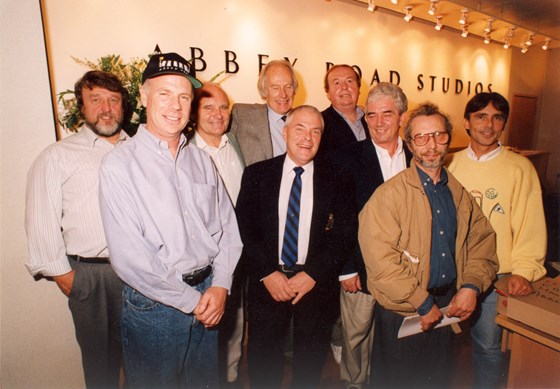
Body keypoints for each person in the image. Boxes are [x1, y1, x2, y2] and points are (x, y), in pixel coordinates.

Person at [98, 52, 243, 388]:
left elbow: (227, 230)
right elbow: (130, 258)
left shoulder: (202, 161)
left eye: (184, 96)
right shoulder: (119, 166)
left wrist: (221, 284)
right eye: (164, 93)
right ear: (144, 96)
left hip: (209, 293)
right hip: (156, 308)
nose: (175, 106)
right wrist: (194, 302)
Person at [359, 102, 499, 388]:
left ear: (449, 138)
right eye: (421, 137)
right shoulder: (388, 196)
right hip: (404, 311)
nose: (431, 145)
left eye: (439, 135)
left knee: (437, 381)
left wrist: (471, 287)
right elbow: (380, 261)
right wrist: (421, 302)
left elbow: (481, 242)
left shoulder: (458, 193)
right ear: (410, 144)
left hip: (448, 307)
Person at [236, 105, 358, 388]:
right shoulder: (257, 174)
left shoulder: (339, 178)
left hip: (314, 284)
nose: (307, 137)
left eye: (315, 131)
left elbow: (345, 233)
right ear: (285, 131)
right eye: (300, 129)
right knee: (263, 361)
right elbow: (244, 230)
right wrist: (268, 273)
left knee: (310, 363)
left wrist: (314, 273)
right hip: (268, 282)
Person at [25, 70, 130, 389]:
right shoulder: (57, 156)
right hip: (92, 277)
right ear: (81, 107)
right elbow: (39, 217)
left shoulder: (140, 149)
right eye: (96, 99)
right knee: (102, 370)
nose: (107, 108)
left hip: (143, 273)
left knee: (146, 359)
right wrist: (65, 275)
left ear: (123, 106)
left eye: (113, 100)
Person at [447, 92, 547, 388]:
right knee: (440, 345)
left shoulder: (520, 168)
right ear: (466, 122)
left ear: (503, 123)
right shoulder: (449, 163)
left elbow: (530, 224)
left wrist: (523, 270)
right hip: (449, 271)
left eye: (497, 117)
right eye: (481, 116)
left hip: (496, 276)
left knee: (489, 349)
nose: (488, 124)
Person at [333, 82, 412, 389]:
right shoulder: (346, 158)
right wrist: (347, 268)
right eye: (373, 115)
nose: (379, 122)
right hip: (360, 268)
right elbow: (339, 221)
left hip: (406, 270)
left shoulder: (418, 158)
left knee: (397, 339)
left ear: (402, 117)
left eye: (387, 114)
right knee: (356, 339)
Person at [188, 82, 246, 386]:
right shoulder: (186, 153)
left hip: (242, 249)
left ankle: (231, 371)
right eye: (208, 107)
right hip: (208, 256)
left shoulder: (234, 144)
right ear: (194, 113)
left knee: (236, 315)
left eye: (223, 107)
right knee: (209, 321)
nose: (217, 114)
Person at [229, 59, 298, 166]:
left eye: (288, 87)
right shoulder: (242, 115)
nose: (283, 94)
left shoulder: (305, 120)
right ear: (264, 90)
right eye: (275, 88)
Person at [317, 64, 370, 159]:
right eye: (337, 83)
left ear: (359, 89)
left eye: (350, 81)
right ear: (328, 93)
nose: (344, 87)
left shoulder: (372, 120)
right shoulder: (319, 122)